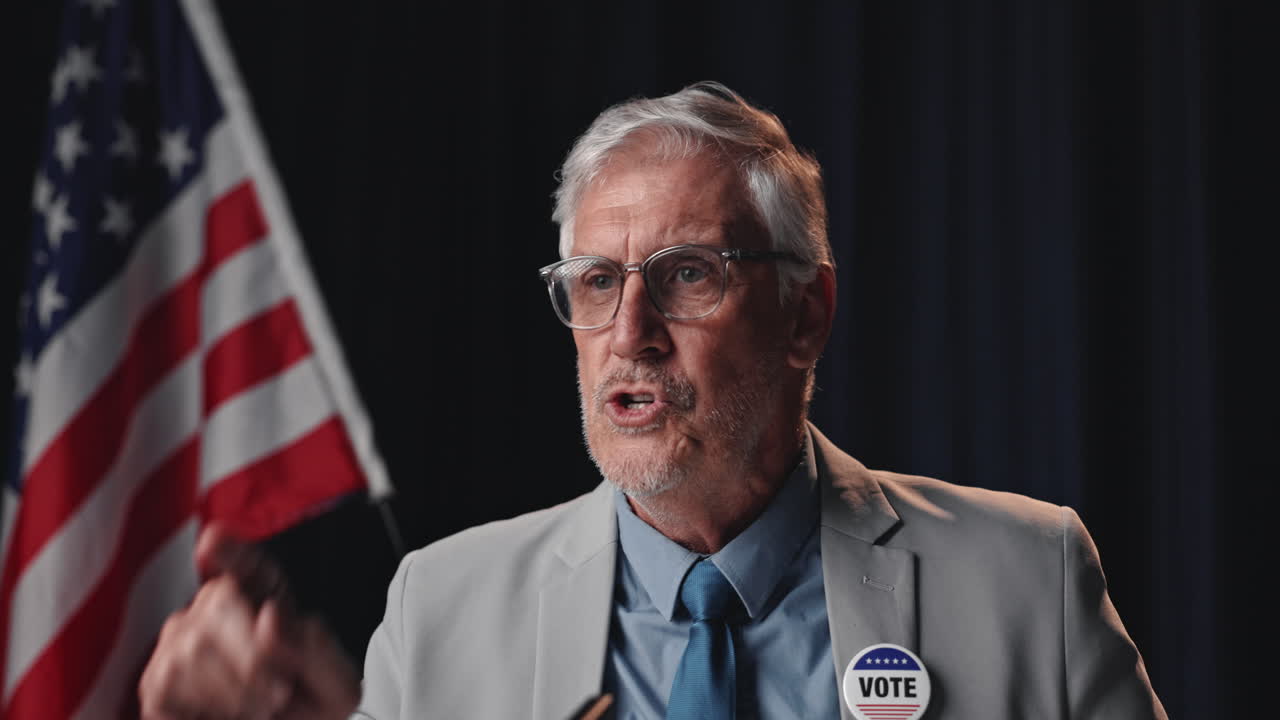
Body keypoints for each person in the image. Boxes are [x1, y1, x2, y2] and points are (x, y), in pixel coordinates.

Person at [138, 82, 1166, 719]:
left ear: (804, 314)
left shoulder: (1024, 585)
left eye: (684, 275)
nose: (627, 333)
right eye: (594, 282)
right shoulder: (441, 612)